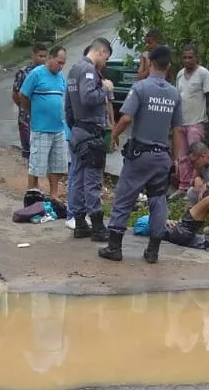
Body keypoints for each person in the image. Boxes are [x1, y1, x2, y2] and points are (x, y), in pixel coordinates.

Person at [99, 45, 185, 263]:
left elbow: (126, 118)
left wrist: (114, 136)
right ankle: (153, 251)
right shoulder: (174, 93)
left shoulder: (141, 88)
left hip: (140, 156)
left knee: (125, 197)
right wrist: (175, 158)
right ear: (169, 66)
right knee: (158, 201)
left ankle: (114, 247)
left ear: (151, 64)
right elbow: (178, 130)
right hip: (161, 157)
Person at [66, 38, 114, 241]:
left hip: (77, 131)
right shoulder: (88, 70)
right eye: (106, 58)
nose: (105, 63)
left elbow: (68, 105)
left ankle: (79, 223)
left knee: (77, 178)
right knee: (92, 179)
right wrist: (106, 88)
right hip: (91, 133)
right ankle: (97, 226)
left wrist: (75, 127)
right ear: (101, 52)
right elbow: (87, 97)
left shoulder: (72, 70)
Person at [20, 45, 68, 203]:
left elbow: (63, 99)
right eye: (59, 62)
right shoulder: (36, 74)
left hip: (58, 128)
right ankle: (32, 193)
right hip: (41, 128)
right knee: (37, 164)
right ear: (51, 58)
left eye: (63, 63)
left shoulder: (61, 77)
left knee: (57, 164)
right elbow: (23, 95)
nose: (61, 66)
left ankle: (53, 194)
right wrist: (32, 112)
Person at [174, 44, 209, 195]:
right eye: (184, 57)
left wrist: (203, 113)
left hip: (196, 122)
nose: (187, 60)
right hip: (181, 122)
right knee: (182, 156)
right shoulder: (179, 74)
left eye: (190, 57)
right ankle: (183, 186)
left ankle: (194, 187)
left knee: (196, 157)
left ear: (196, 57)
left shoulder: (203, 73)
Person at [12, 43, 48, 160]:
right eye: (40, 56)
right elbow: (16, 94)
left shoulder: (47, 73)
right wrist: (25, 107)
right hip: (26, 119)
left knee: (43, 153)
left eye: (44, 56)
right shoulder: (23, 73)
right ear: (33, 55)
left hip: (43, 119)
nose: (42, 59)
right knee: (30, 154)